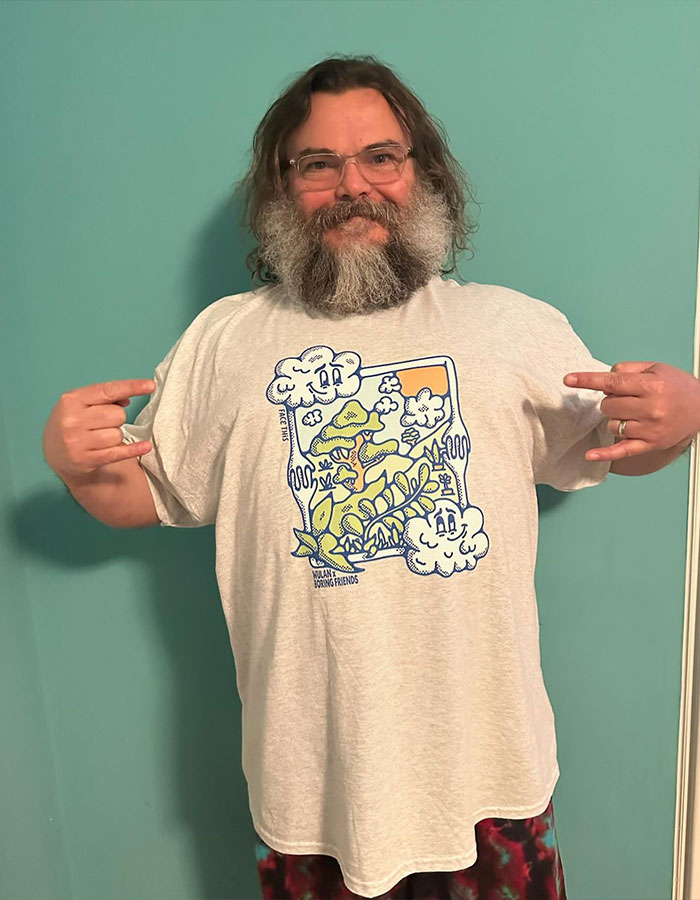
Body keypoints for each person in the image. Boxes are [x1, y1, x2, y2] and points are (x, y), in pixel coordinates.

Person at [42, 55, 700, 900]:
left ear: (423, 172)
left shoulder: (511, 326)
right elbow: (145, 494)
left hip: (489, 781)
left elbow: (620, 441)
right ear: (283, 189)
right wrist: (76, 468)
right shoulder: (226, 340)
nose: (353, 185)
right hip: (311, 792)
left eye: (380, 157)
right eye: (319, 165)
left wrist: (680, 420)